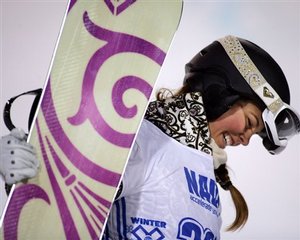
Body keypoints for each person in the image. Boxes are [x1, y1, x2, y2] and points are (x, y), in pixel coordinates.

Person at [1, 35, 299, 239]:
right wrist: (30, 175)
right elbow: (69, 206)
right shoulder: (144, 139)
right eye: (250, 123)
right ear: (222, 91)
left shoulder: (206, 176)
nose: (245, 140)